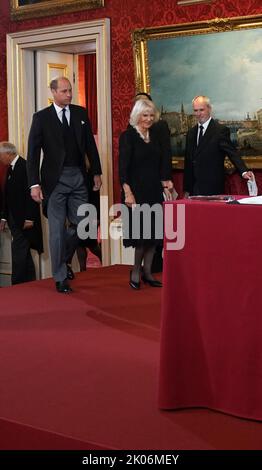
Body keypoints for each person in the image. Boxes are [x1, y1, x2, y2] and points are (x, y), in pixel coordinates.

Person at [27, 76, 102, 293]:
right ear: (53, 93)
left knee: (84, 225)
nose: (69, 94)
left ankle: (65, 259)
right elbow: (33, 154)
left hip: (79, 177)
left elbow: (90, 145)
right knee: (57, 232)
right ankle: (60, 277)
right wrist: (34, 184)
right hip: (54, 182)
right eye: (64, 91)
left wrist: (96, 172)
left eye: (70, 90)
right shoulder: (41, 118)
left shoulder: (80, 113)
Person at [119, 99, 173, 290]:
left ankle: (148, 272)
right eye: (145, 115)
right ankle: (135, 271)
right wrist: (128, 193)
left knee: (154, 236)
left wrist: (166, 183)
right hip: (136, 192)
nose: (149, 119)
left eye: (151, 115)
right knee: (141, 237)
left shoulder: (155, 135)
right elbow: (123, 168)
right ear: (137, 116)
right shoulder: (128, 136)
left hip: (153, 190)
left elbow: (161, 162)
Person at [183, 95, 254, 196]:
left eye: (201, 110)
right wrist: (186, 188)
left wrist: (244, 171)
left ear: (209, 109)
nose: (198, 114)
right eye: (195, 110)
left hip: (213, 187)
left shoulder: (220, 130)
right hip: (193, 188)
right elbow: (188, 162)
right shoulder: (190, 133)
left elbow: (232, 153)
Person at [0, 142, 43, 285]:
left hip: (23, 219)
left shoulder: (24, 166)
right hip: (14, 219)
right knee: (23, 251)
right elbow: (8, 196)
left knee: (18, 251)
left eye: (1, 155)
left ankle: (16, 284)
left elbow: (31, 195)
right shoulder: (10, 169)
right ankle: (30, 282)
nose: (0, 159)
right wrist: (4, 217)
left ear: (8, 154)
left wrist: (30, 218)